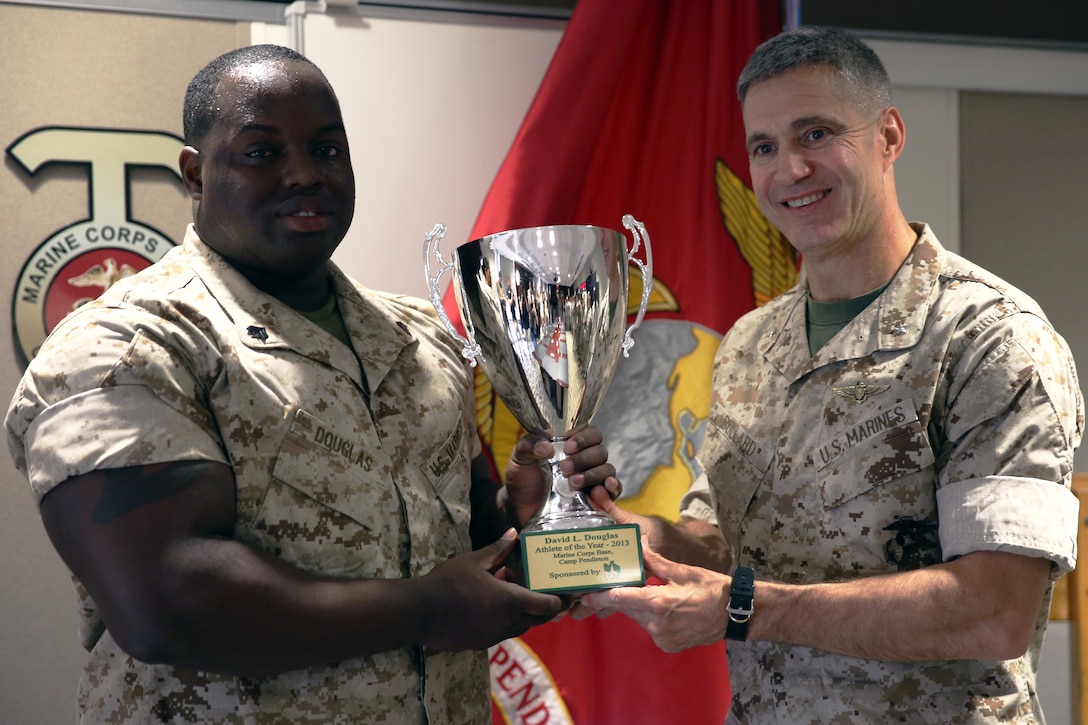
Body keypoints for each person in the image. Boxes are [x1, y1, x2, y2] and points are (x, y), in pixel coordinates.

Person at [5, 44, 620, 724]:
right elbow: (166, 604)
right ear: (195, 173)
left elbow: (467, 547)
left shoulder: (421, 337)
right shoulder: (125, 345)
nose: (305, 174)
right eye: (262, 152)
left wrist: (528, 516)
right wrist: (427, 608)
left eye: (327, 149)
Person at [577, 26, 1084, 723]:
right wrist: (612, 533)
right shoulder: (750, 345)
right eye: (764, 147)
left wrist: (746, 608)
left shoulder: (989, 337)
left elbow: (993, 610)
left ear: (888, 136)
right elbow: (723, 547)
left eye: (815, 134)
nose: (789, 169)